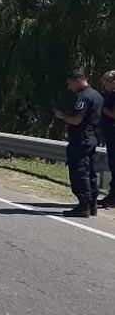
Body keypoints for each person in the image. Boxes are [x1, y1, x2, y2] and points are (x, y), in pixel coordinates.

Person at [53, 71, 103, 218]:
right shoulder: (97, 95)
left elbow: (77, 120)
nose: (69, 88)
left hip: (80, 139)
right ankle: (92, 204)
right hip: (92, 137)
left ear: (78, 80)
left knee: (79, 171)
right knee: (90, 171)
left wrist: (62, 116)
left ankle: (84, 205)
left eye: (70, 84)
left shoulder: (84, 97)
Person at [98, 71, 115, 208]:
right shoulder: (110, 95)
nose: (105, 86)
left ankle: (113, 197)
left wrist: (103, 110)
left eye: (106, 83)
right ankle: (112, 195)